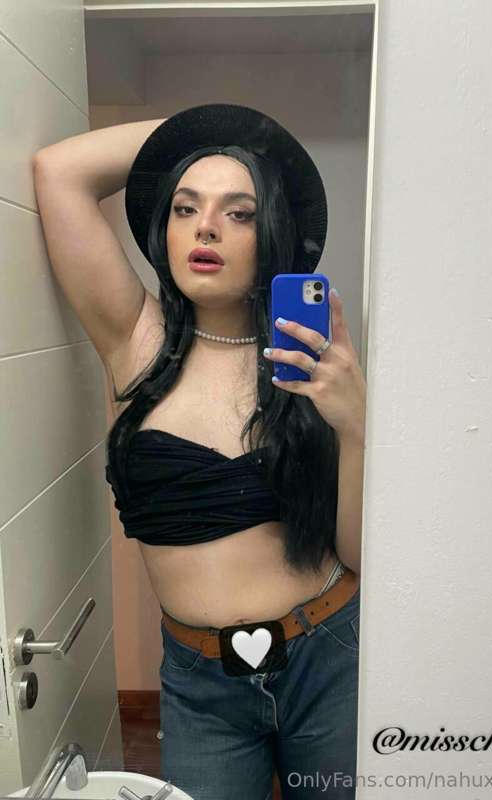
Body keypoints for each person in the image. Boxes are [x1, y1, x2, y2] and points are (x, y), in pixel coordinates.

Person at [33, 104, 366, 800]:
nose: (206, 226)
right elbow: (58, 172)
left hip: (331, 656)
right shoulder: (136, 340)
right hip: (201, 683)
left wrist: (355, 426)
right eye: (186, 208)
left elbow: (360, 553)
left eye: (239, 214)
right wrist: (218, 129)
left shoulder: (310, 363)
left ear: (271, 235)